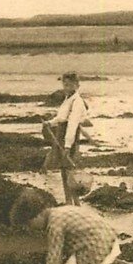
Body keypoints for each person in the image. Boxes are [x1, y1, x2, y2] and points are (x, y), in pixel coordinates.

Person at [44, 71, 88, 205]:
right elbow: (61, 117)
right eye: (64, 84)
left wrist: (68, 145)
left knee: (69, 169)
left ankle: (76, 201)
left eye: (69, 85)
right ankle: (68, 200)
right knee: (63, 169)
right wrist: (50, 123)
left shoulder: (77, 102)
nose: (66, 87)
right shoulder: (68, 99)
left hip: (69, 136)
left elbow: (73, 124)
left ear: (76, 85)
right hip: (61, 133)